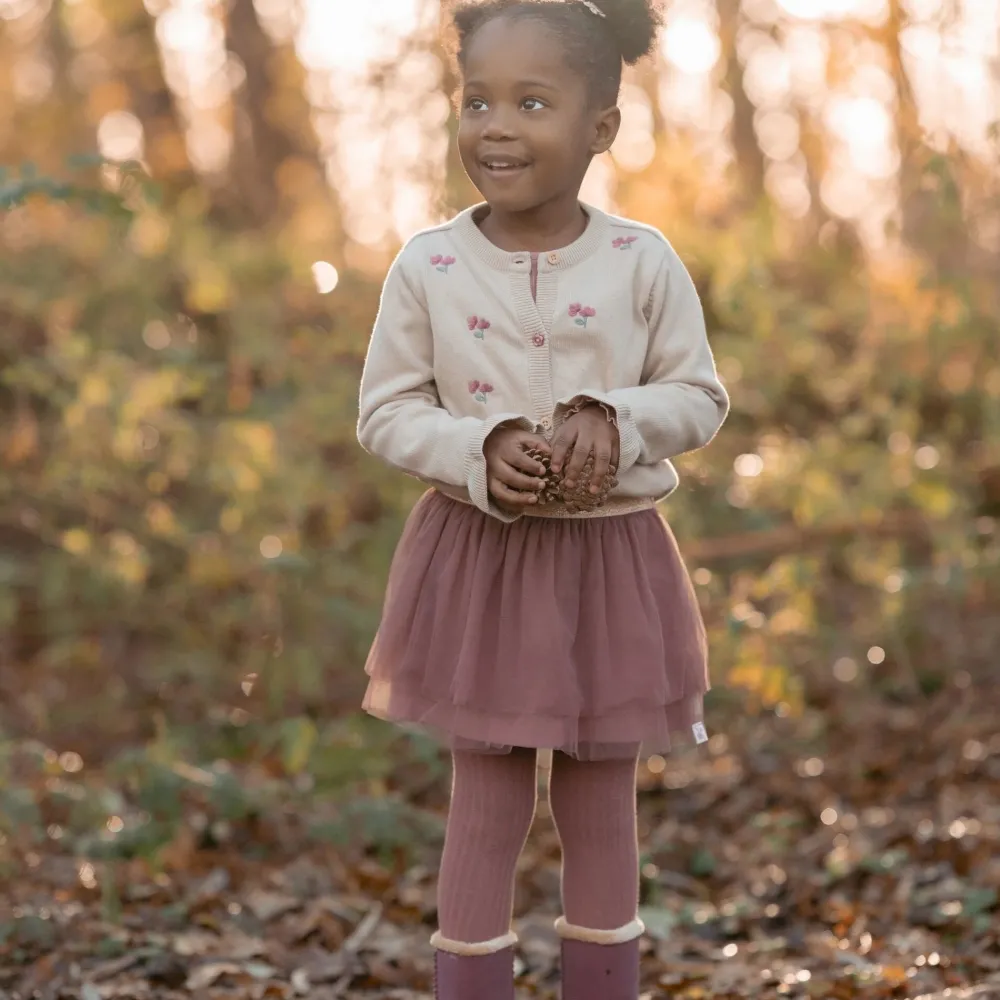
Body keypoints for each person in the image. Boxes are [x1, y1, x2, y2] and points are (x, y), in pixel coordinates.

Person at [356, 0, 729, 996]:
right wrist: (478, 445)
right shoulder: (427, 265)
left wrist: (617, 415)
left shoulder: (640, 260)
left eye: (532, 101)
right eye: (477, 101)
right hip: (480, 559)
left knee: (600, 798)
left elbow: (698, 395)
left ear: (599, 127)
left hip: (612, 561)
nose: (497, 127)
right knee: (484, 793)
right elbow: (386, 411)